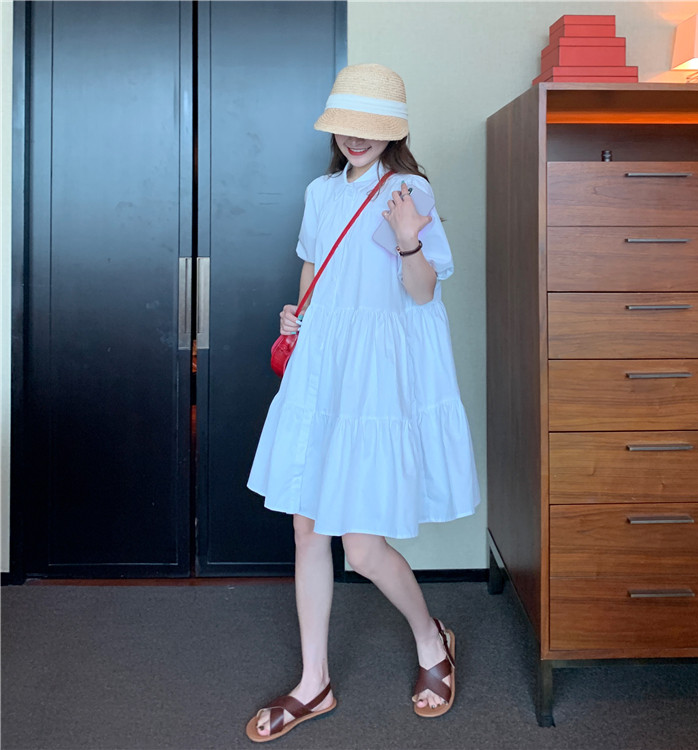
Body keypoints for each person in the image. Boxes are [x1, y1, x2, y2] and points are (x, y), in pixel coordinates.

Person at [245, 63, 480, 743]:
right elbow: (313, 267)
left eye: (370, 128)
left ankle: (431, 639)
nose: (356, 138)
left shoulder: (407, 190)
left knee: (363, 544)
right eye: (347, 126)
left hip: (373, 377)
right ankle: (313, 682)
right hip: (323, 365)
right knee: (306, 528)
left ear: (392, 133)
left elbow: (421, 292)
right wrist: (298, 315)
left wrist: (409, 236)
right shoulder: (321, 192)